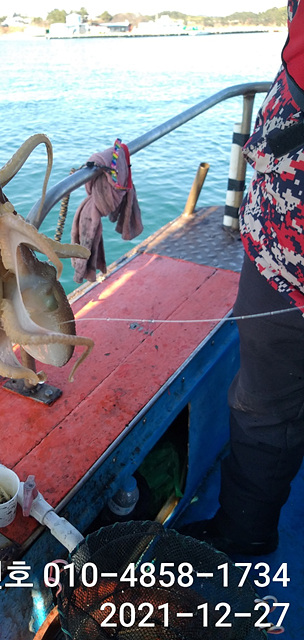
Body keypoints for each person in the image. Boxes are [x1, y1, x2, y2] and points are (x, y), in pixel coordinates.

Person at [181, 0, 304, 555]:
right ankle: (247, 529)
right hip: (280, 241)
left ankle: (246, 533)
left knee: (265, 407)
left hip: (288, 254)